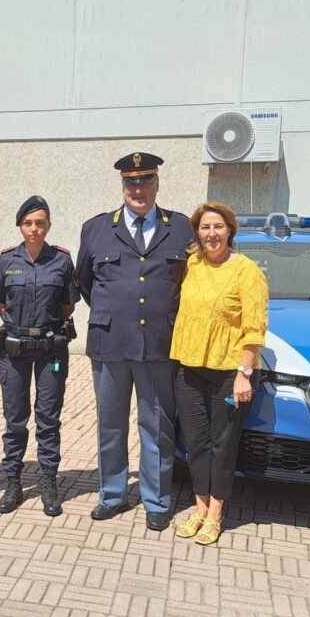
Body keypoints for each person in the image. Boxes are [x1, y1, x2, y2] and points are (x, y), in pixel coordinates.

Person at [75, 152, 193, 531]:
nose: (138, 189)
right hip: (110, 342)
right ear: (122, 186)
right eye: (131, 183)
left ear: (157, 184)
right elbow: (85, 282)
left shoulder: (180, 228)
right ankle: (112, 494)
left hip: (159, 343)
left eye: (145, 182)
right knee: (110, 424)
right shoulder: (95, 229)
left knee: (157, 424)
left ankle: (156, 499)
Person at [171, 201, 268, 545]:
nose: (211, 234)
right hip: (189, 369)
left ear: (230, 230)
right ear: (197, 232)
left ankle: (215, 514)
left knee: (222, 446)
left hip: (230, 372)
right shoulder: (192, 265)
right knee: (196, 444)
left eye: (218, 227)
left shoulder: (247, 271)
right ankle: (199, 509)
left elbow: (254, 327)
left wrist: (244, 372)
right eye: (205, 227)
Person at [0, 195, 78, 516]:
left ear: (49, 225)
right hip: (15, 352)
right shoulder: (6, 260)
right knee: (15, 420)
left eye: (40, 223)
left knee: (48, 419)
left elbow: (68, 306)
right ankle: (13, 481)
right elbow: (1, 303)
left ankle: (49, 481)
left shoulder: (63, 261)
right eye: (28, 223)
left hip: (51, 350)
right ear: (20, 226)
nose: (34, 229)